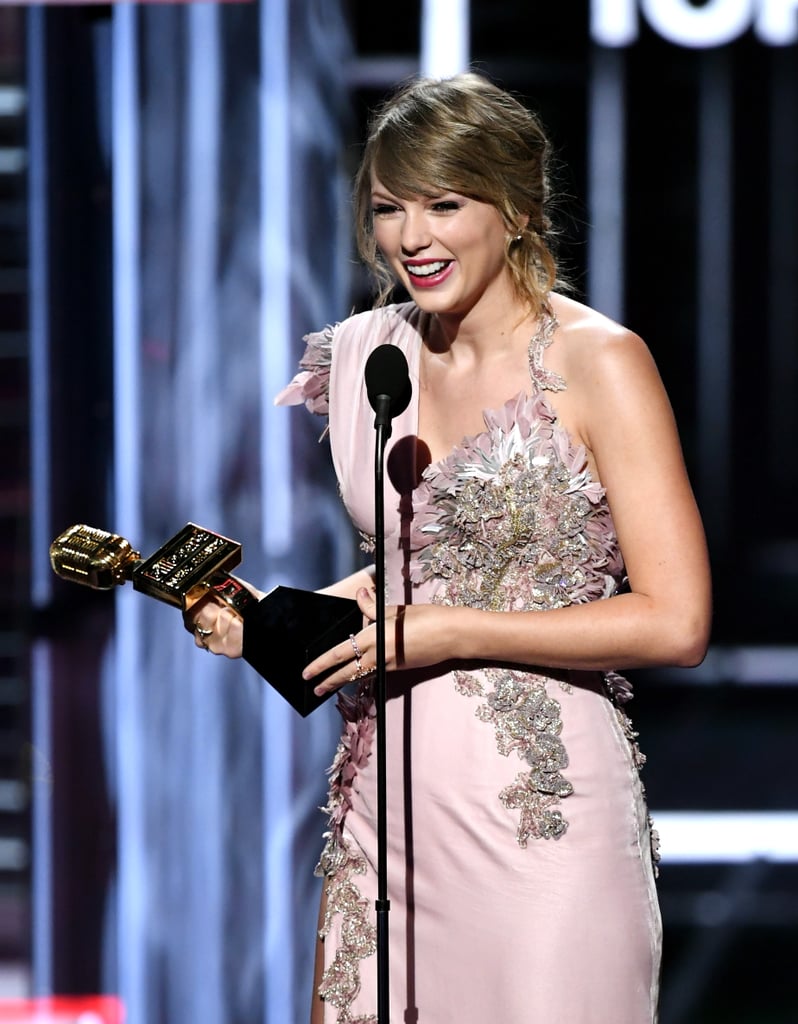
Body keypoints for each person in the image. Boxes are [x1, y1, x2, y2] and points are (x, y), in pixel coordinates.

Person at [186, 72, 712, 1023]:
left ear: (514, 208)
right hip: (382, 813)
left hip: (538, 829)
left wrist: (448, 632)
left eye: (444, 203)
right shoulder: (365, 355)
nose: (412, 237)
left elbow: (676, 621)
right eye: (389, 208)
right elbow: (413, 565)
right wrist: (264, 622)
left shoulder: (599, 363)